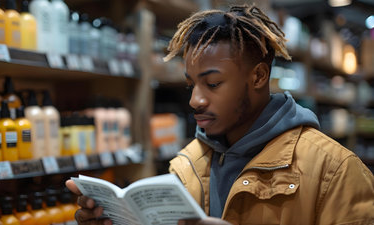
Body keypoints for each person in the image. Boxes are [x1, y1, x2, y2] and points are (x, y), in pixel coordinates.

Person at [66, 5, 374, 225]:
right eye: (191, 85)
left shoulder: (335, 172)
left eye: (213, 84)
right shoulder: (187, 165)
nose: (195, 100)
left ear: (258, 77)